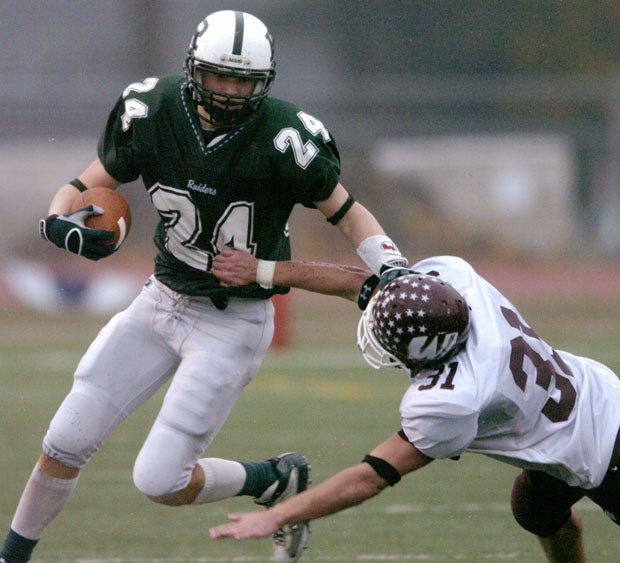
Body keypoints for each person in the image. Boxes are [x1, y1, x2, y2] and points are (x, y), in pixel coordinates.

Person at [0, 10, 408, 563]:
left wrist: (393, 265)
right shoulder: (153, 109)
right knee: (66, 438)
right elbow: (87, 182)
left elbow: (348, 213)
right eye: (221, 76)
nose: (232, 91)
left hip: (231, 321)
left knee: (159, 480)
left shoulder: (284, 135)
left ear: (264, 84)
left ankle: (274, 477)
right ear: (195, 69)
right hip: (160, 298)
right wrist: (57, 219)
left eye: (245, 81)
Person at [208, 248, 620, 562]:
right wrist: (264, 270)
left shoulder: (451, 398)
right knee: (534, 506)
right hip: (596, 397)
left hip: (605, 455)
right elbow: (359, 282)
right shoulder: (453, 285)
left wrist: (279, 516)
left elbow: (371, 477)